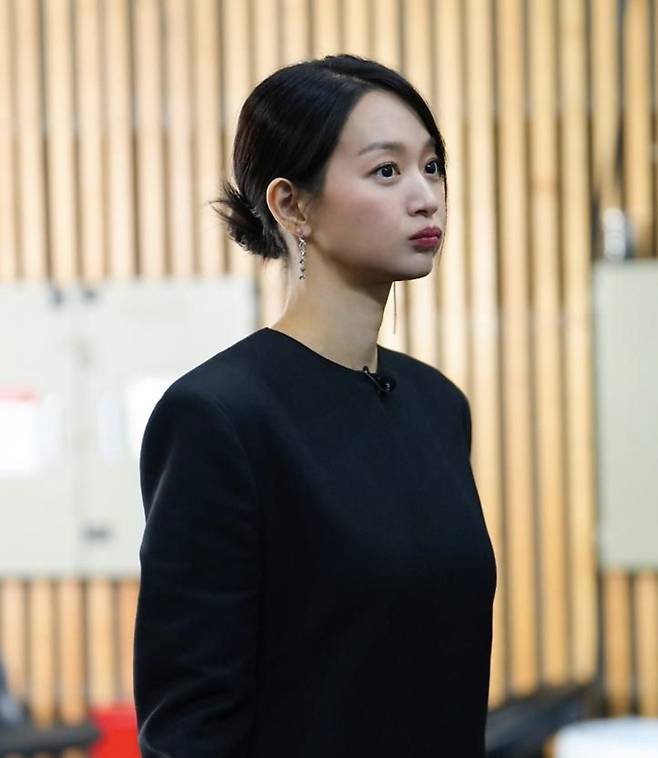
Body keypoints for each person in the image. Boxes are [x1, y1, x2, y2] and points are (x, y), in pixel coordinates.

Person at [133, 53, 497, 757]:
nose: (426, 196)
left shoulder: (438, 406)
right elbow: (190, 728)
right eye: (386, 170)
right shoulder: (219, 417)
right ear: (291, 205)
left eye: (431, 166)